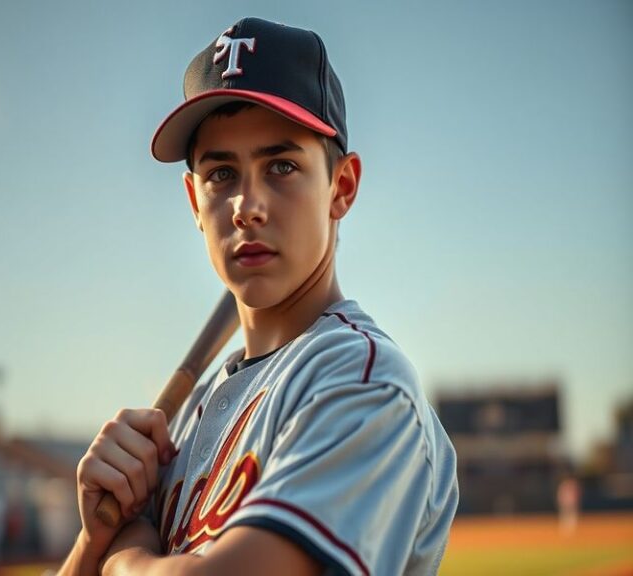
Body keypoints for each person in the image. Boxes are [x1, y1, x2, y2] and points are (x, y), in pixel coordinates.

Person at [57, 17, 458, 576]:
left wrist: (125, 550)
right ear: (194, 200)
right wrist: (92, 541)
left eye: (282, 166)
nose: (247, 204)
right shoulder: (191, 418)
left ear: (341, 187)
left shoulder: (363, 381)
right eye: (221, 174)